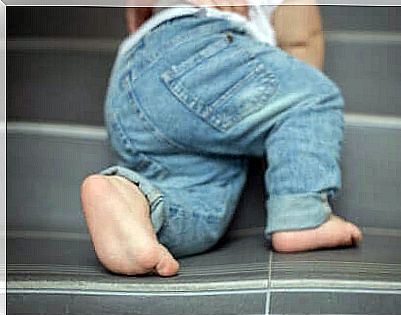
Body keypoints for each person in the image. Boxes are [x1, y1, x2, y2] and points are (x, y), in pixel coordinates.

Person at [80, 0, 363, 277]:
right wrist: (288, 122)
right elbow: (302, 40)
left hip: (128, 97)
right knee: (313, 97)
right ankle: (304, 216)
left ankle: (132, 201)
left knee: (205, 212)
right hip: (198, 55)